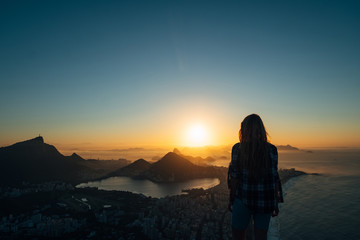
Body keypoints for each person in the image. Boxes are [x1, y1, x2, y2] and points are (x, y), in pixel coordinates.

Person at [228, 114, 283, 240]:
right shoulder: (272, 150)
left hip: (243, 199)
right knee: (261, 237)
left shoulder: (238, 149)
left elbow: (234, 177)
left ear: (243, 130)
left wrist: (231, 199)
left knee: (238, 235)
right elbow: (274, 177)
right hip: (266, 201)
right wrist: (275, 203)